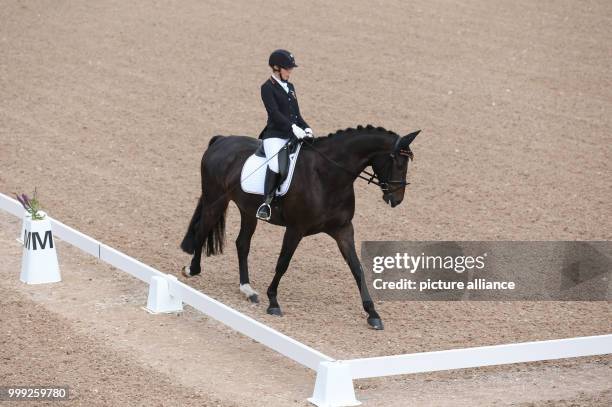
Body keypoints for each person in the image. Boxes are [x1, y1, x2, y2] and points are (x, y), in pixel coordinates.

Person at [256, 49, 313, 221]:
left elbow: (297, 114)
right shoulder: (267, 88)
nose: (290, 72)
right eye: (287, 69)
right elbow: (274, 113)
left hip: (292, 132)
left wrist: (306, 127)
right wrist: (292, 128)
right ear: (276, 68)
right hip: (275, 135)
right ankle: (266, 203)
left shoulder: (290, 87)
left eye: (290, 69)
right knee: (276, 165)